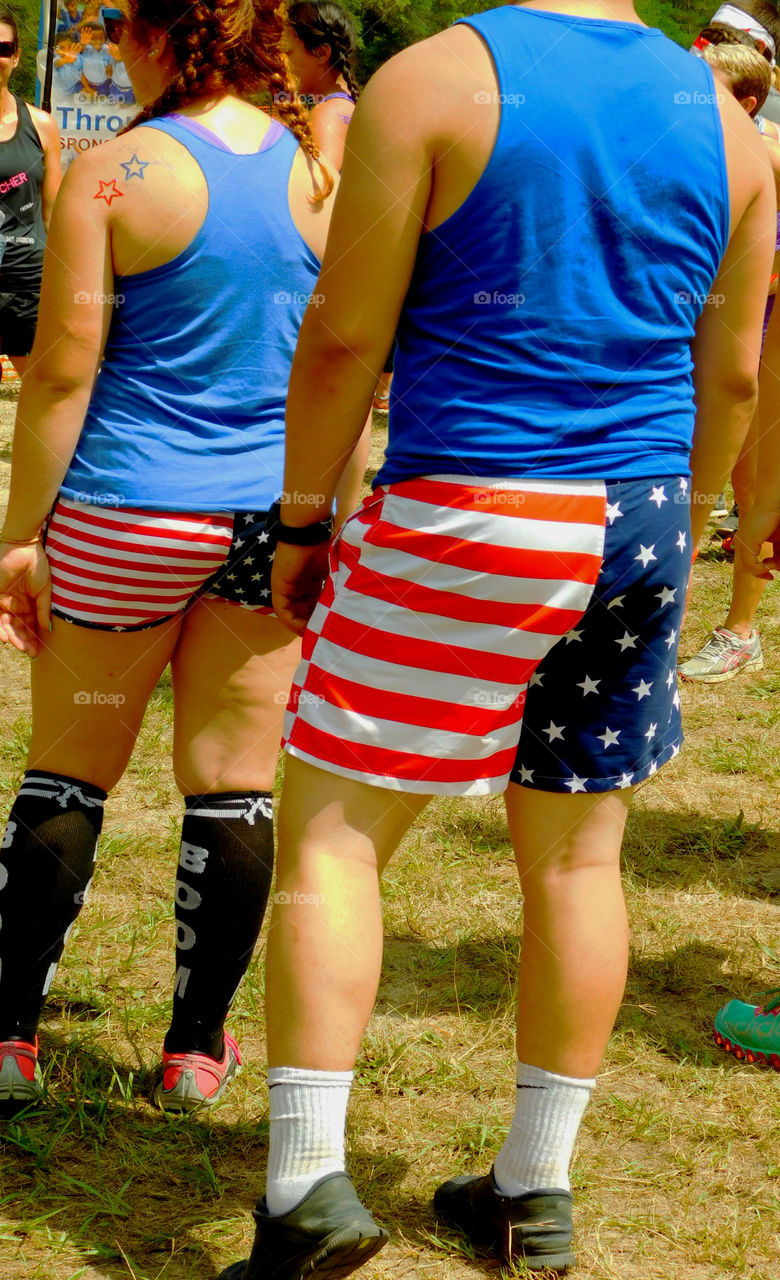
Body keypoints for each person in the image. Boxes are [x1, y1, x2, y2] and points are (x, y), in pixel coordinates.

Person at [216, 2, 775, 1278]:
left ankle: (305, 1182)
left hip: (470, 501)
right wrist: (684, 514)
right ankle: (538, 1184)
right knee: (581, 857)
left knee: (335, 832)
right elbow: (731, 371)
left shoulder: (435, 79)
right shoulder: (734, 129)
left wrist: (303, 520)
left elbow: (348, 335)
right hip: (639, 517)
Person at [0, 0, 344, 1114]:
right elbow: (343, 359)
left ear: (157, 37)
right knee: (235, 780)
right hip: (266, 516)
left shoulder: (111, 169)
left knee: (69, 766)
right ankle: (195, 1048)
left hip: (126, 507)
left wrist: (17, 534)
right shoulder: (316, 172)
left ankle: (9, 1032)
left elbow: (60, 370)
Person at [680, 25, 779, 682]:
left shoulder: (771, 153)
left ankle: (742, 628)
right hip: (705, 325)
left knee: (754, 482)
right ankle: (652, 623)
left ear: (746, 100)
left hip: (767, 327)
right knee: (684, 474)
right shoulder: (689, 147)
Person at [0, 5, 61, 377]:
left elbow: (54, 215)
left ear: (16, 56)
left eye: (2, 49)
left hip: (28, 285)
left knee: (44, 387)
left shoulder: (41, 126)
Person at [285, 1, 358, 173]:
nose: (283, 62)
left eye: (289, 52)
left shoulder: (327, 114)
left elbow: (322, 191)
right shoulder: (347, 102)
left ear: (322, 53)